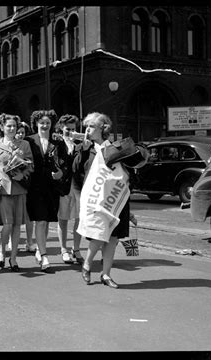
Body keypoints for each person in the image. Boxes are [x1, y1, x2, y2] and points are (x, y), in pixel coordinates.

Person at [78, 112, 131, 288]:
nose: (87, 129)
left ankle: (106, 275)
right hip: (96, 200)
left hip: (116, 199)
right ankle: (87, 264)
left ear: (103, 128)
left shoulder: (115, 148)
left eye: (91, 126)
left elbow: (125, 174)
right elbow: (76, 170)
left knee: (113, 238)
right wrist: (82, 152)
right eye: (87, 126)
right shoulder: (87, 149)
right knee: (99, 234)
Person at [0, 113, 33, 271]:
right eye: (9, 126)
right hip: (4, 190)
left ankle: (13, 258)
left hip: (19, 190)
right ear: (2, 127)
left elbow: (31, 165)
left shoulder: (24, 144)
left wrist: (23, 174)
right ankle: (2, 251)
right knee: (7, 224)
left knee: (16, 226)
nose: (12, 128)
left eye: (14, 126)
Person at [25, 110, 63, 273]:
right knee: (40, 220)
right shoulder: (29, 140)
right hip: (35, 186)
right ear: (36, 124)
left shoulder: (57, 140)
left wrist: (61, 173)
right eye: (42, 123)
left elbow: (62, 161)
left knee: (46, 220)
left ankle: (40, 250)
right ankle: (44, 256)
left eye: (47, 123)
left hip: (51, 187)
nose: (45, 125)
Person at [53, 114, 84, 264]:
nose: (70, 132)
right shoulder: (57, 143)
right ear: (61, 128)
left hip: (78, 186)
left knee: (79, 218)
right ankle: (63, 249)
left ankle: (76, 248)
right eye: (67, 129)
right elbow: (57, 162)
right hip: (63, 186)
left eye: (73, 129)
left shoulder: (81, 143)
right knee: (63, 219)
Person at [14, 121, 36, 253]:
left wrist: (24, 174)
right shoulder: (7, 144)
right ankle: (12, 241)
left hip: (25, 182)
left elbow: (31, 164)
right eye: (18, 132)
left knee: (28, 215)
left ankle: (29, 241)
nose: (20, 135)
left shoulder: (27, 145)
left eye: (23, 132)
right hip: (12, 182)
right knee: (14, 214)